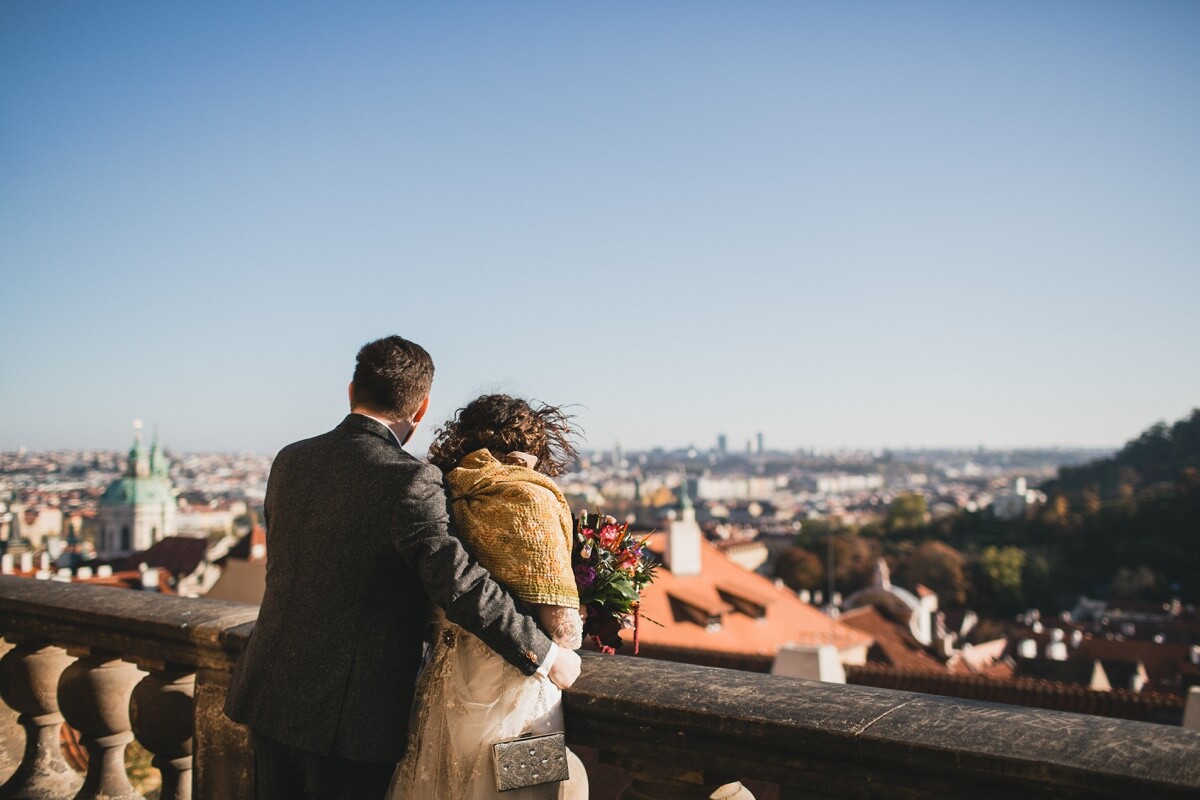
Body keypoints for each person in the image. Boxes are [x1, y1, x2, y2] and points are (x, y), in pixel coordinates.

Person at [224, 337, 582, 800]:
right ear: (421, 407)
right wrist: (549, 656)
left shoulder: (291, 459)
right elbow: (460, 585)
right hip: (348, 720)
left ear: (352, 390)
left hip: (268, 692)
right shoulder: (410, 479)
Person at [390, 394, 588, 800]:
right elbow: (563, 630)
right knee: (529, 793)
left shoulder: (447, 490)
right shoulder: (529, 499)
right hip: (520, 699)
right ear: (533, 449)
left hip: (446, 684)